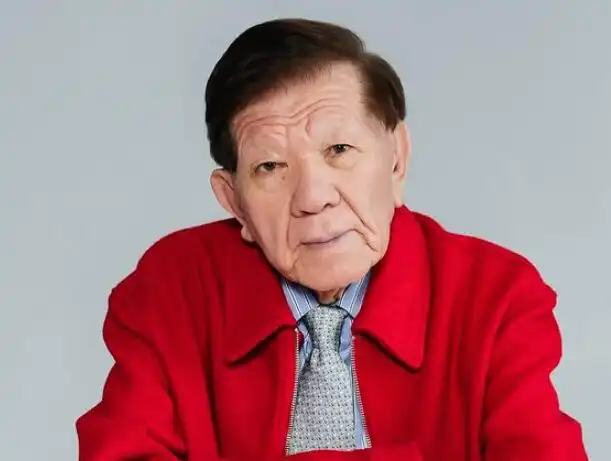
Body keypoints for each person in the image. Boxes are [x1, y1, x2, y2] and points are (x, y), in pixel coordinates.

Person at [76, 18, 588, 461]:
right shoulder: (170, 293)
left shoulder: (495, 297)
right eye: (270, 167)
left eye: (339, 149)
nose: (313, 197)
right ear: (234, 202)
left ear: (396, 160)